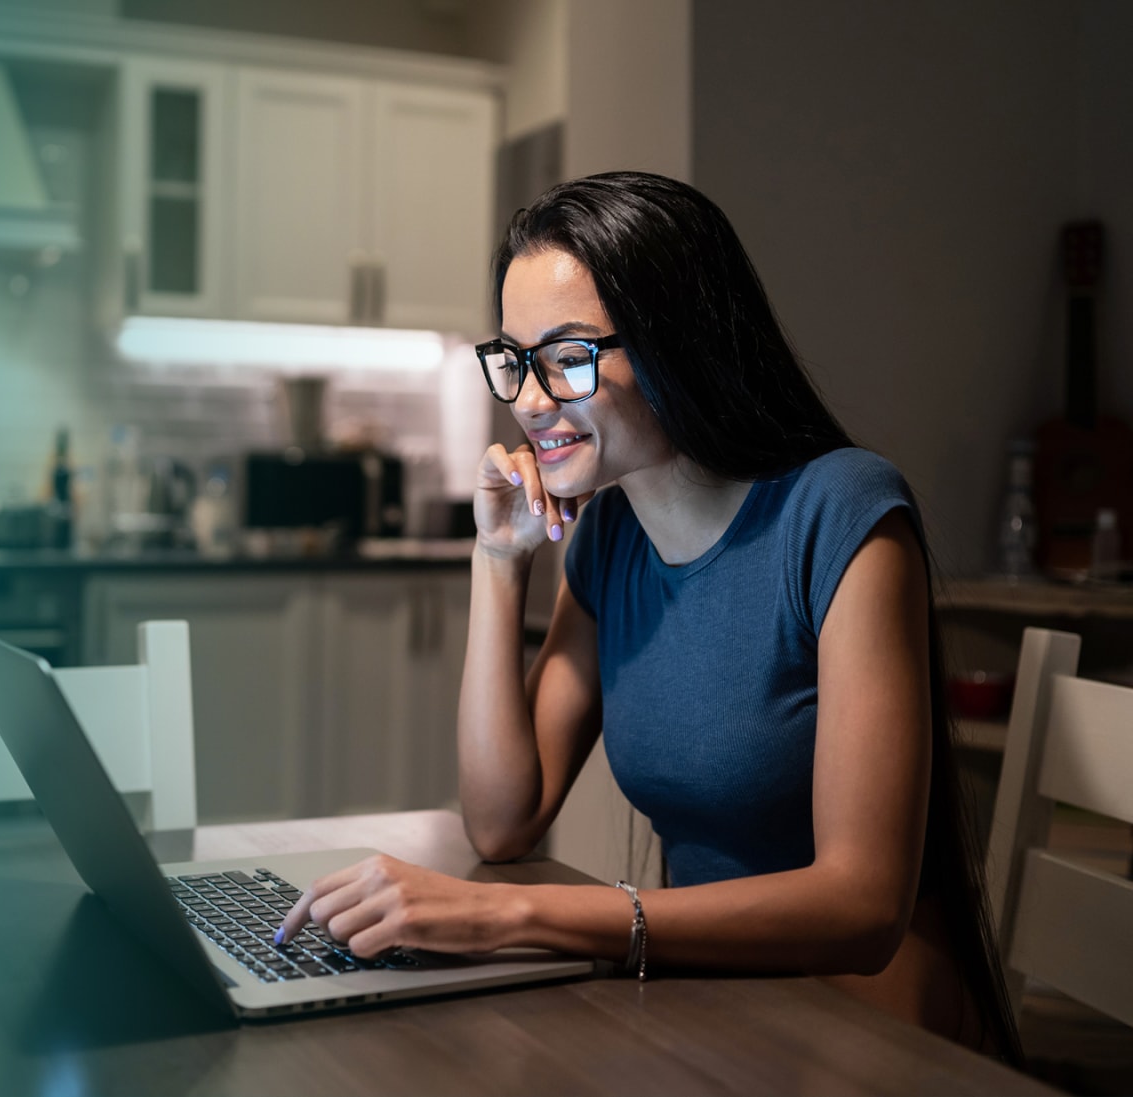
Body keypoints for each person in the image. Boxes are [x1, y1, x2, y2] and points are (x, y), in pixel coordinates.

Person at [273, 171, 1017, 1059]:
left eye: (569, 356)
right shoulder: (609, 538)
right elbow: (504, 820)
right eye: (516, 359)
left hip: (867, 1040)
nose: (531, 400)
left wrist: (514, 913)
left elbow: (861, 907)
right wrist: (498, 560)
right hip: (704, 1016)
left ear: (680, 345)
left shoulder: (842, 512)